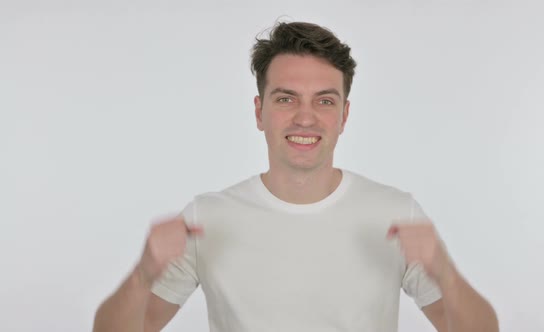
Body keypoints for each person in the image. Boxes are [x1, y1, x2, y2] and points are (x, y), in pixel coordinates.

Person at [93, 21, 498, 332]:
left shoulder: (393, 212)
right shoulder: (207, 217)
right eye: (286, 98)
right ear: (259, 112)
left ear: (344, 116)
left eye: (324, 100)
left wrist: (445, 272)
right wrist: (141, 275)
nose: (306, 117)